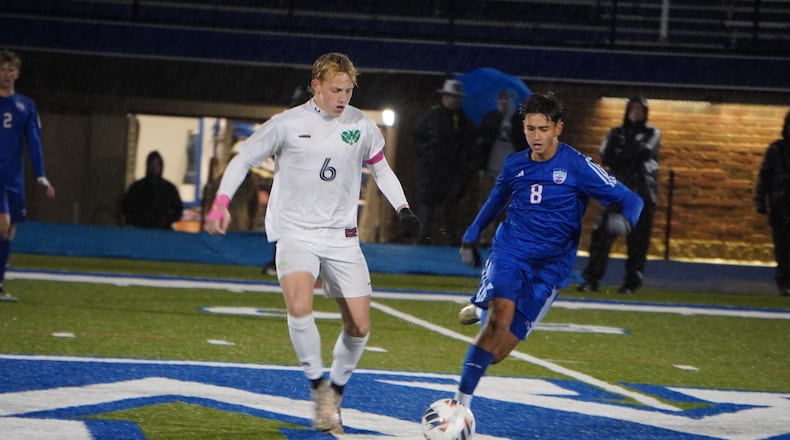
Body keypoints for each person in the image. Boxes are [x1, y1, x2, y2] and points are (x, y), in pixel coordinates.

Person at [204, 52, 420, 434]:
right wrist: (221, 203)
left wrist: (403, 208)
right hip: (294, 232)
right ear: (316, 86)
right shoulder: (286, 124)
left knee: (359, 327)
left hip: (342, 237)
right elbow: (241, 161)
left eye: (349, 90)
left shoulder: (363, 126)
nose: (343, 97)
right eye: (336, 89)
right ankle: (318, 386)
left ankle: (335, 389)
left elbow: (381, 169)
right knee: (300, 306)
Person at [451, 92, 643, 412]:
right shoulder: (515, 165)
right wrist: (470, 238)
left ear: (558, 129)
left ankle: (482, 306)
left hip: (551, 268)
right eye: (529, 129)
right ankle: (459, 407)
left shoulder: (578, 166)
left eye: (542, 129)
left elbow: (632, 200)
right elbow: (495, 202)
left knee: (497, 353)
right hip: (511, 251)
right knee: (499, 321)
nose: (535, 136)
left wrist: (626, 220)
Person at [577, 96, 661, 294]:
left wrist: (621, 155)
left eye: (640, 109)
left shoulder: (652, 132)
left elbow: (643, 153)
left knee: (637, 241)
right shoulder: (615, 132)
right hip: (616, 193)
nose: (635, 112)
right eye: (632, 109)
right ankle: (591, 279)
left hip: (641, 195)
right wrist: (624, 156)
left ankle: (631, 282)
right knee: (601, 236)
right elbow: (606, 156)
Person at [0, 49, 56, 303]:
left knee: (10, 231)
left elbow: (33, 141)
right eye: (2, 69)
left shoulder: (26, 106)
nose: (6, 74)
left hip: (14, 177)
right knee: (2, 224)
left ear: (18, 74)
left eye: (10, 70)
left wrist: (41, 175)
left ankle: (0, 284)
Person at [411, 78, 477, 245]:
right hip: (430, 173)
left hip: (453, 175)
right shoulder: (430, 118)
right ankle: (421, 248)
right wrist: (429, 157)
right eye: (450, 96)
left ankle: (453, 250)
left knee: (452, 216)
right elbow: (416, 142)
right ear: (444, 97)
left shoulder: (464, 122)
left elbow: (469, 149)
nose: (453, 100)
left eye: (456, 97)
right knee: (426, 216)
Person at [755, 110, 790, 297]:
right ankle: (784, 282)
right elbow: (765, 176)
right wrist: (760, 200)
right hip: (780, 205)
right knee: (782, 247)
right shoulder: (776, 150)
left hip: (780, 201)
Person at [122, 150, 184, 229]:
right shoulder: (137, 187)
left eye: (157, 164)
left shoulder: (169, 189)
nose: (154, 167)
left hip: (162, 230)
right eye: (152, 164)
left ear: (161, 166)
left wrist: (166, 220)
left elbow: (178, 210)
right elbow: (126, 207)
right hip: (142, 229)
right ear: (148, 165)